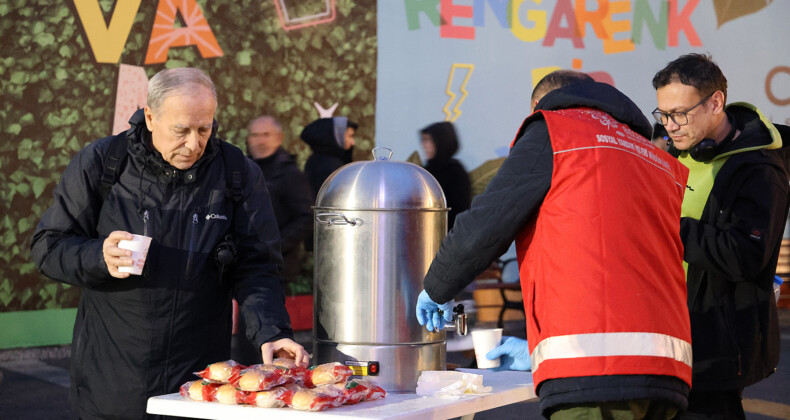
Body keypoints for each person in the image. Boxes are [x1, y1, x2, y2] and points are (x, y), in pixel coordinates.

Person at [30, 67, 309, 420]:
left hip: (199, 386)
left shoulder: (237, 172)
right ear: (150, 117)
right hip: (112, 384)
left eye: (204, 128)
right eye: (181, 130)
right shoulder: (102, 163)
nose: (194, 144)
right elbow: (47, 245)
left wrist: (271, 332)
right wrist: (97, 257)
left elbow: (257, 266)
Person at [415, 70, 693, 419]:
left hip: (597, 376)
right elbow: (619, 266)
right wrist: (536, 353)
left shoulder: (555, 130)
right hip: (669, 369)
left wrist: (437, 286)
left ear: (541, 105)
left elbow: (488, 220)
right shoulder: (652, 157)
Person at [652, 53, 788, 419]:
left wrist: (662, 224)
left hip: (716, 344)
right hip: (666, 332)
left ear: (716, 102)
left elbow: (746, 254)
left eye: (680, 113)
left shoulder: (758, 170)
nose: (670, 125)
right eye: (663, 114)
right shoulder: (671, 150)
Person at [233, 115, 313, 365]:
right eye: (255, 135)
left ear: (279, 138)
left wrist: (276, 246)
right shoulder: (241, 170)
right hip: (242, 261)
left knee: (268, 326)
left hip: (276, 266)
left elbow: (305, 217)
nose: (259, 141)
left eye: (266, 135)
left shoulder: (289, 174)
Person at [420, 121, 471, 229]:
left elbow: (460, 210)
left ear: (441, 141)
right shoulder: (425, 171)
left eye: (429, 140)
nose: (425, 145)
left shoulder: (455, 171)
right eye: (424, 140)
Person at [300, 116, 357, 197]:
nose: (352, 143)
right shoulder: (330, 165)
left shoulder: (316, 160)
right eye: (350, 136)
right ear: (337, 136)